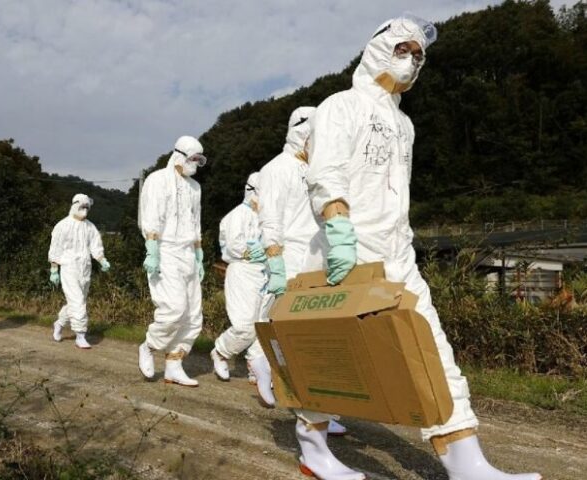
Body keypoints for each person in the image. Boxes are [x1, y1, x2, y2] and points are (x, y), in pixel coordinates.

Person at [303, 15, 541, 480]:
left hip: (397, 254)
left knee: (430, 348)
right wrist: (339, 230)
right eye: (403, 50)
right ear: (377, 49)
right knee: (334, 358)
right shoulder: (339, 106)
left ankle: (466, 461)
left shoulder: (405, 125)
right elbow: (325, 172)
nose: (412, 61)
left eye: (418, 55)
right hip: (346, 249)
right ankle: (313, 445)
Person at [258, 107, 348, 435]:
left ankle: (320, 410)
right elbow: (270, 219)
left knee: (322, 341)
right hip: (292, 261)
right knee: (296, 343)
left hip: (320, 262)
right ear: (300, 131)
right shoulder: (276, 169)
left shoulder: (319, 170)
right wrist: (275, 262)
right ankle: (306, 414)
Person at [138, 136, 206, 386]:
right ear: (179, 155)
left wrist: (199, 254)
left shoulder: (195, 188)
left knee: (192, 315)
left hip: (188, 252)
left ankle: (174, 366)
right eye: (192, 158)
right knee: (174, 309)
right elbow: (151, 216)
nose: (195, 163)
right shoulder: (157, 180)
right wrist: (152, 249)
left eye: (199, 159)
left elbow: (196, 221)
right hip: (165, 250)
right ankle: (149, 345)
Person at [210, 172, 276, 404]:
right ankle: (221, 351)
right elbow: (233, 246)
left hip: (265, 272)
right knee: (245, 325)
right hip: (242, 271)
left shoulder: (267, 217)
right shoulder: (236, 216)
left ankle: (256, 366)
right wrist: (254, 250)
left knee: (263, 322)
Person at [48, 194, 109, 349]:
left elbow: (96, 246)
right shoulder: (63, 225)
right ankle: (80, 335)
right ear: (74, 205)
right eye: (82, 207)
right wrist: (54, 269)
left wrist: (102, 260)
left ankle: (59, 324)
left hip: (85, 268)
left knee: (77, 301)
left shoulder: (90, 227)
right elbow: (55, 248)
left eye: (87, 207)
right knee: (78, 302)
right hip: (69, 267)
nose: (85, 210)